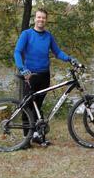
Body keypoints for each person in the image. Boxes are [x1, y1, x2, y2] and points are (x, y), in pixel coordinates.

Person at [14, 8, 74, 146]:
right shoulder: (27, 34)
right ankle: (26, 140)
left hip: (44, 75)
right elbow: (17, 52)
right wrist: (22, 69)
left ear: (46, 20)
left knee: (38, 106)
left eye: (43, 18)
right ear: (35, 18)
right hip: (31, 75)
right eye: (39, 17)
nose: (41, 20)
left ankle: (36, 135)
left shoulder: (48, 36)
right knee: (28, 107)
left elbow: (57, 52)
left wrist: (69, 59)